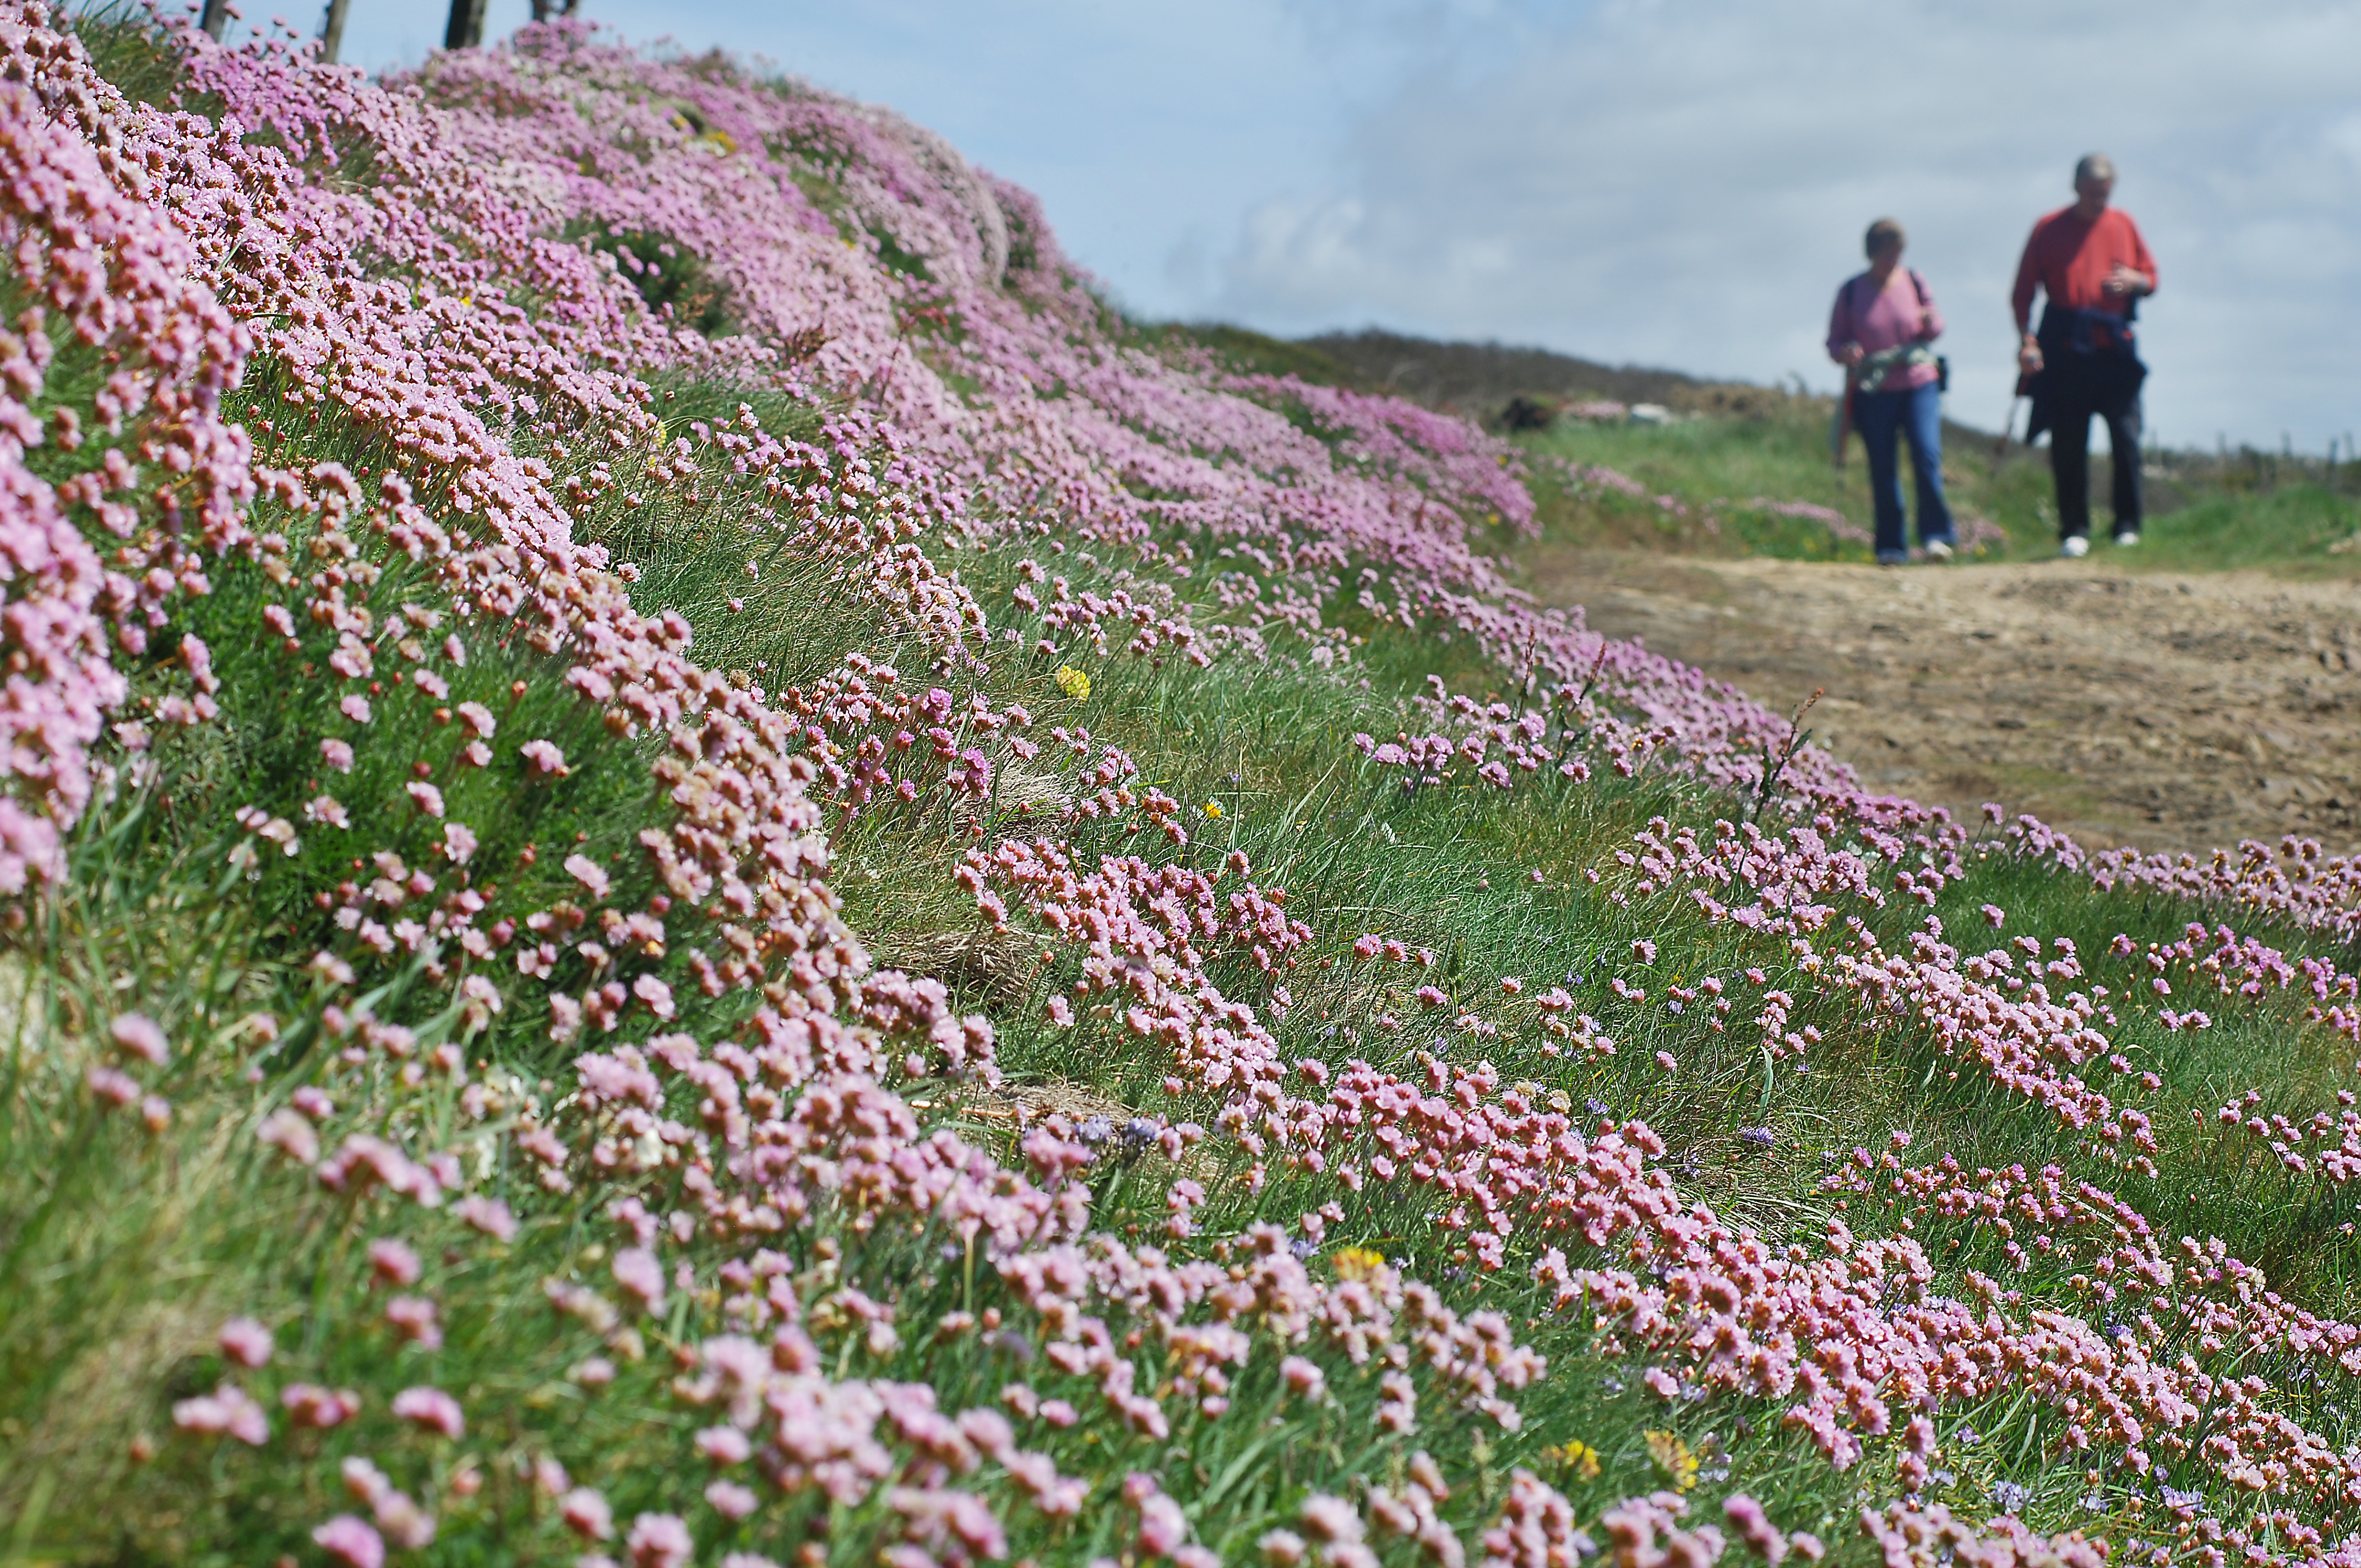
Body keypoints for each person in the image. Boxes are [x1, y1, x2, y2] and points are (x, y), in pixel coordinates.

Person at [2011, 153, 2157, 558]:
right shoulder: (2048, 228)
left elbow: (2152, 278)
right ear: (2076, 187)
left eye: (2105, 194)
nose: (2099, 201)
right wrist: (2028, 341)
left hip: (2115, 348)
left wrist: (2135, 281)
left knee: (2127, 438)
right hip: (2066, 347)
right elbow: (2023, 293)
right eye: (2092, 193)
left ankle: (2128, 526)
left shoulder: (2124, 223)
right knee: (2069, 443)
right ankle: (2074, 529)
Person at [1827, 218, 1956, 565]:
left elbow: (1937, 324)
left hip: (1919, 381)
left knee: (1926, 454)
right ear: (1872, 253)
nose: (1893, 260)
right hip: (1874, 388)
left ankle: (1936, 537)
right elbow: (1835, 341)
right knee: (1882, 466)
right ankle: (1891, 546)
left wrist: (1931, 323)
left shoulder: (1915, 281)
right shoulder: (1852, 291)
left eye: (1897, 253)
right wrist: (1846, 352)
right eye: (1887, 253)